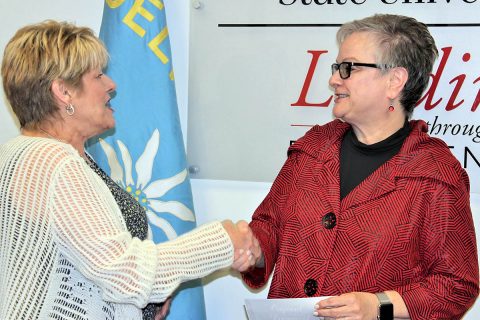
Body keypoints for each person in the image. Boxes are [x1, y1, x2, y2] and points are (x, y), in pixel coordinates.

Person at [0, 20, 256, 320]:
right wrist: (221, 240)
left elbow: (83, 266)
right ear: (63, 92)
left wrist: (140, 308)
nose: (111, 85)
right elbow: (126, 275)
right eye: (97, 76)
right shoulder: (50, 161)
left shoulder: (39, 155)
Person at [242, 14, 479, 319]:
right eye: (336, 68)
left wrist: (380, 304)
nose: (333, 80)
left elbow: (456, 285)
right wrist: (253, 249)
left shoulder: (434, 174)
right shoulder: (312, 150)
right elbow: (269, 227)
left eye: (348, 68)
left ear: (394, 81)